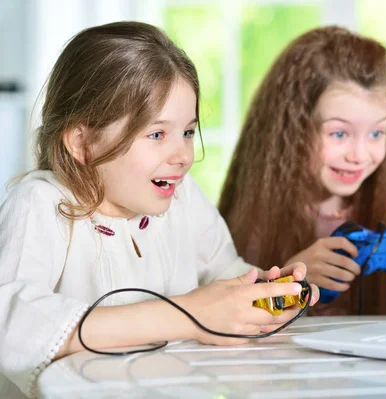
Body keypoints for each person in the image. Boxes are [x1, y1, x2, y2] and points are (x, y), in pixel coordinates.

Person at [0, 21, 318, 399]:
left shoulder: (184, 200)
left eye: (187, 132)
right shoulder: (41, 204)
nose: (183, 155)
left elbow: (225, 275)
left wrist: (259, 294)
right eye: (156, 134)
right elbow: (12, 325)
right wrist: (188, 315)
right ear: (83, 142)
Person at [218, 26, 386, 317]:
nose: (359, 155)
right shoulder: (248, 227)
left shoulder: (382, 213)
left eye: (377, 133)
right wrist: (290, 287)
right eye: (339, 134)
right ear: (291, 130)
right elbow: (229, 325)